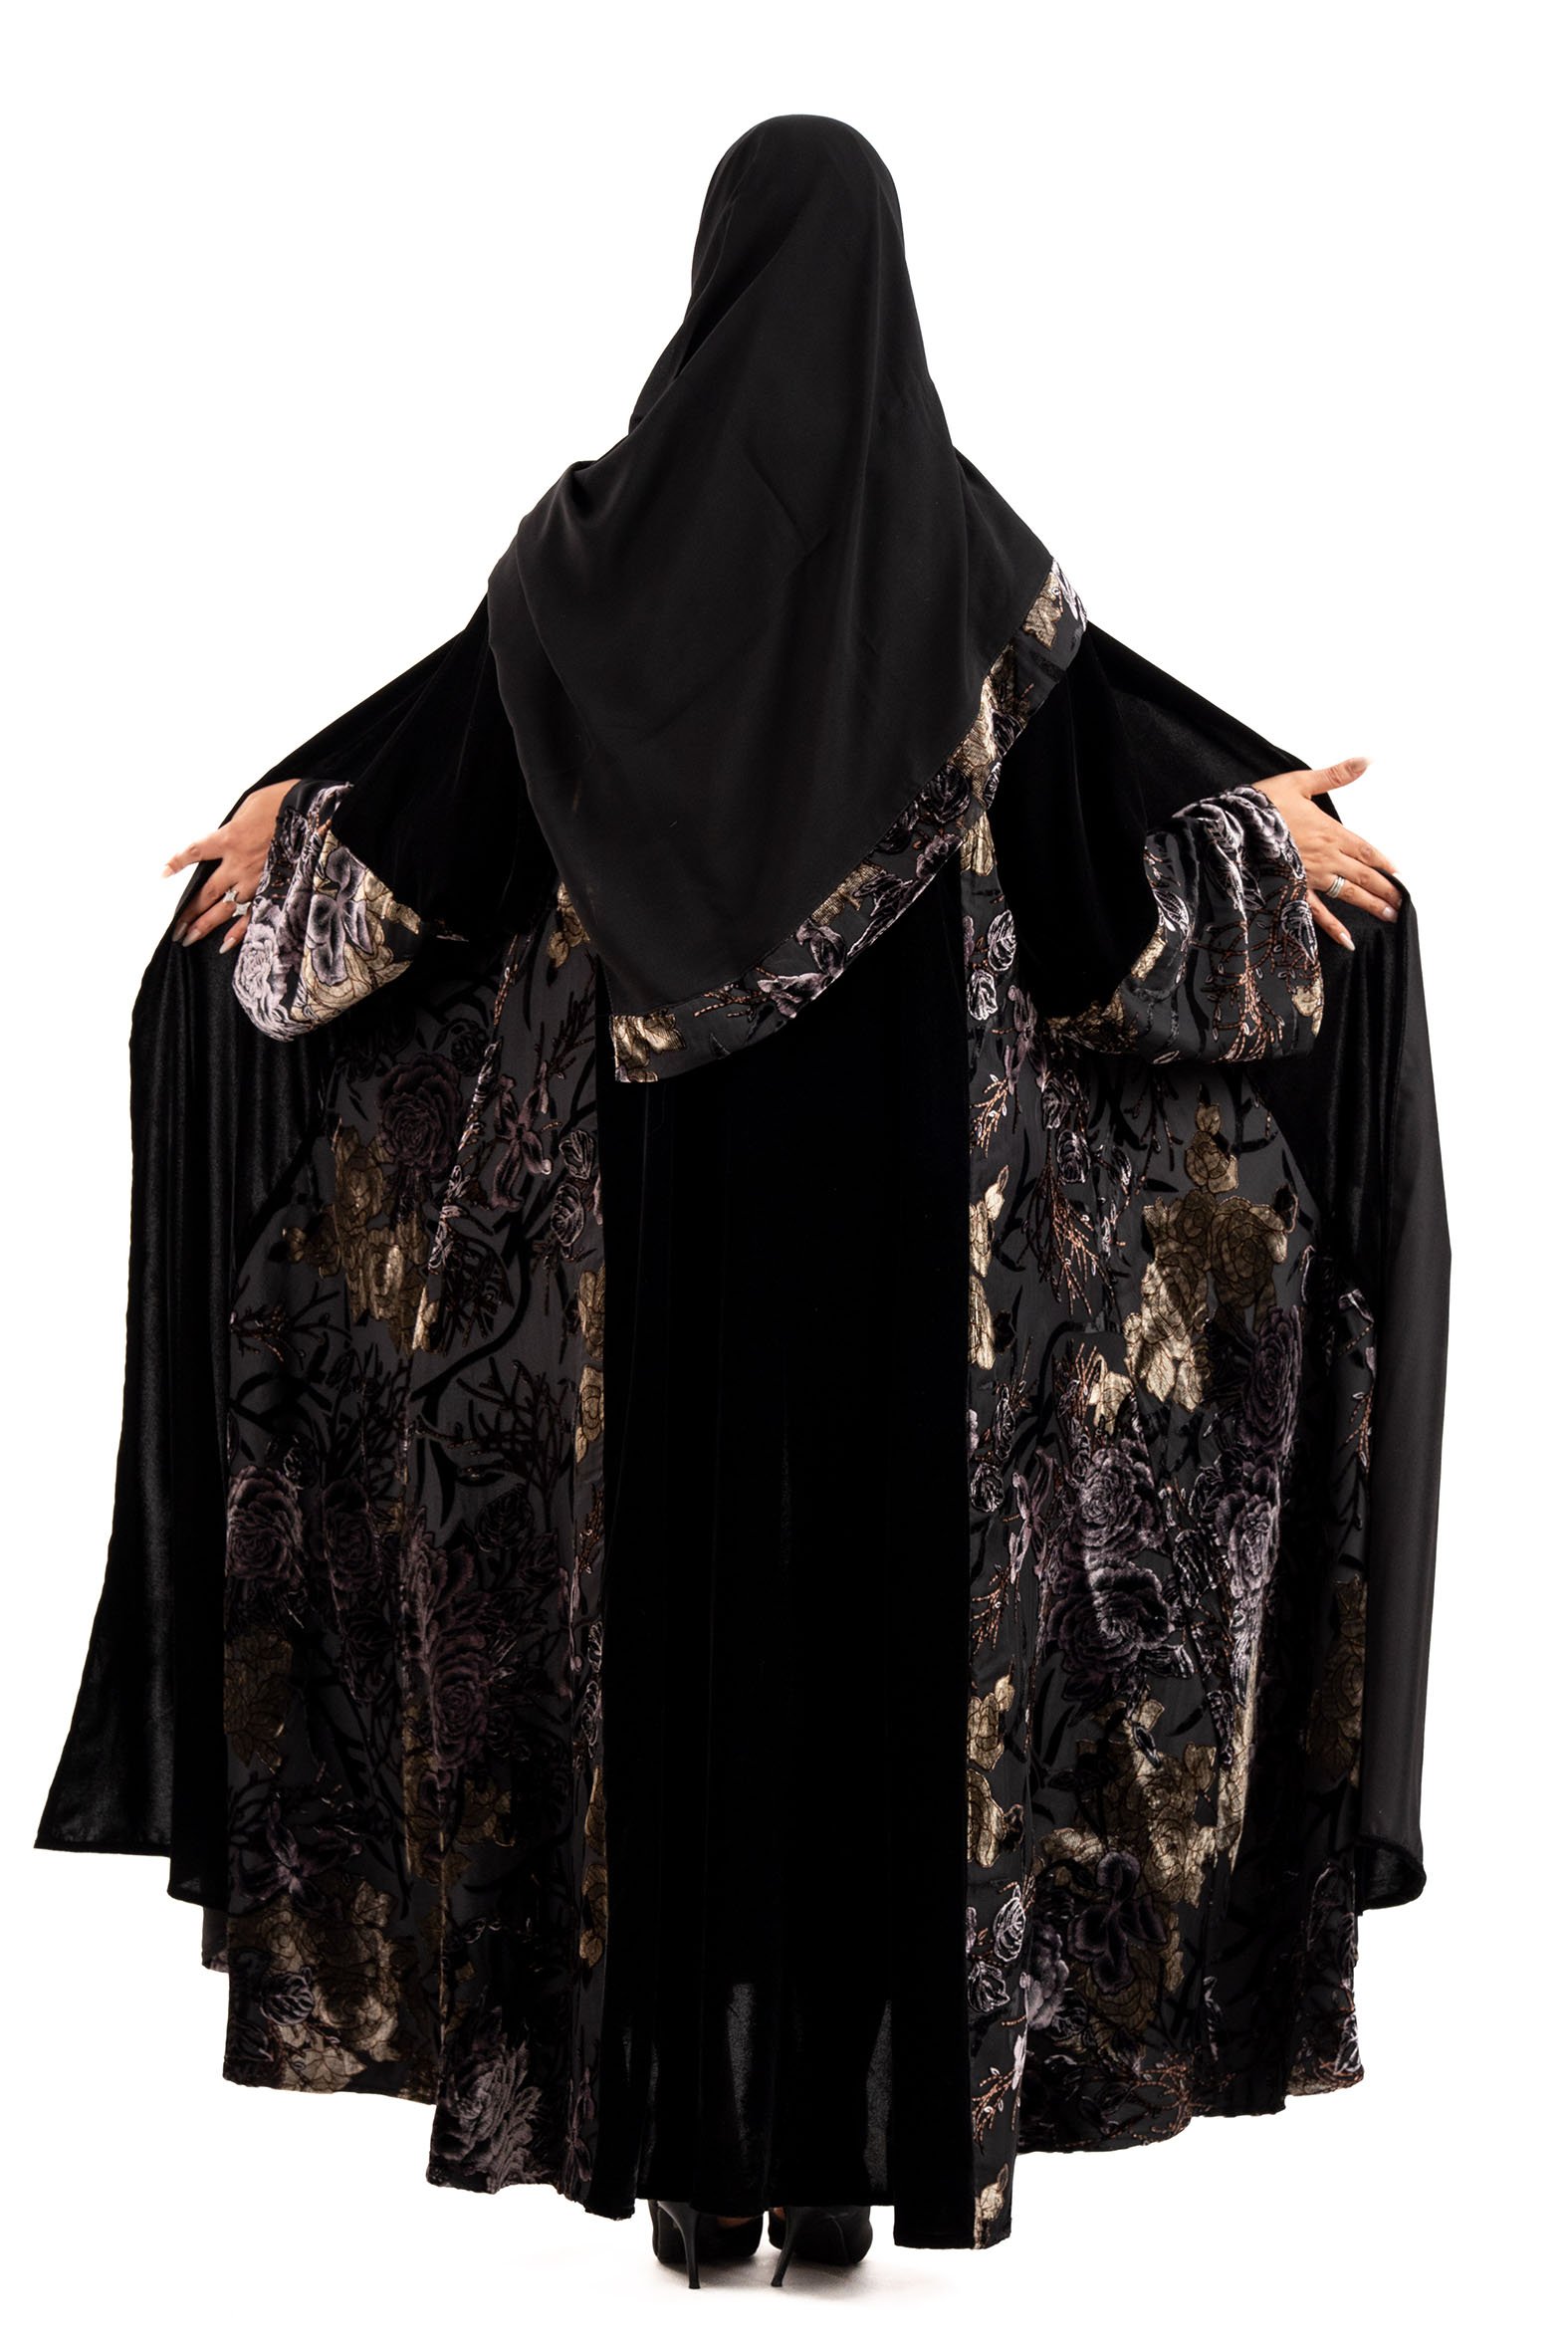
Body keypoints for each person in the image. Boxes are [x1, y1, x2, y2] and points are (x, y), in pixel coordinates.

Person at [36, 115, 1449, 2287]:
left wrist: (289, 818)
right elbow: (1103, 859)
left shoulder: (589, 572)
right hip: (908, 1240)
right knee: (890, 1648)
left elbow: (436, 808)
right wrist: (1249, 832)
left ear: (709, 288)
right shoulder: (957, 567)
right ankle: (846, 2163)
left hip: (662, 1227)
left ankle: (692, 2155)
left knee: (675, 1645)